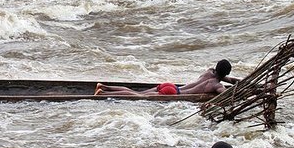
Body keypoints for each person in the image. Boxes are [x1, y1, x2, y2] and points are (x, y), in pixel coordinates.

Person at [95, 60, 240, 96]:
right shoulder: (217, 85)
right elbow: (227, 92)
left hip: (171, 85)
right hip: (174, 93)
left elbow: (230, 80)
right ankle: (103, 93)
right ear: (225, 73)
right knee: (136, 95)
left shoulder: (210, 72)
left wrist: (238, 82)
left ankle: (103, 86)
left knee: (137, 92)